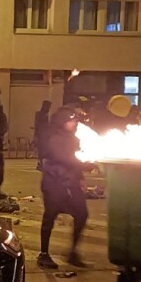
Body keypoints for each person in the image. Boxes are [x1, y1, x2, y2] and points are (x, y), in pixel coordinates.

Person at [37, 107, 91, 270]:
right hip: (54, 182)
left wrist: (81, 177)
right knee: (50, 216)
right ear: (62, 121)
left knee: (82, 214)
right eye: (71, 120)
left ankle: (73, 252)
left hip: (71, 183)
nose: (74, 123)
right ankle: (44, 254)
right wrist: (84, 164)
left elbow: (75, 159)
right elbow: (63, 158)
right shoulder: (53, 137)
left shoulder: (74, 138)